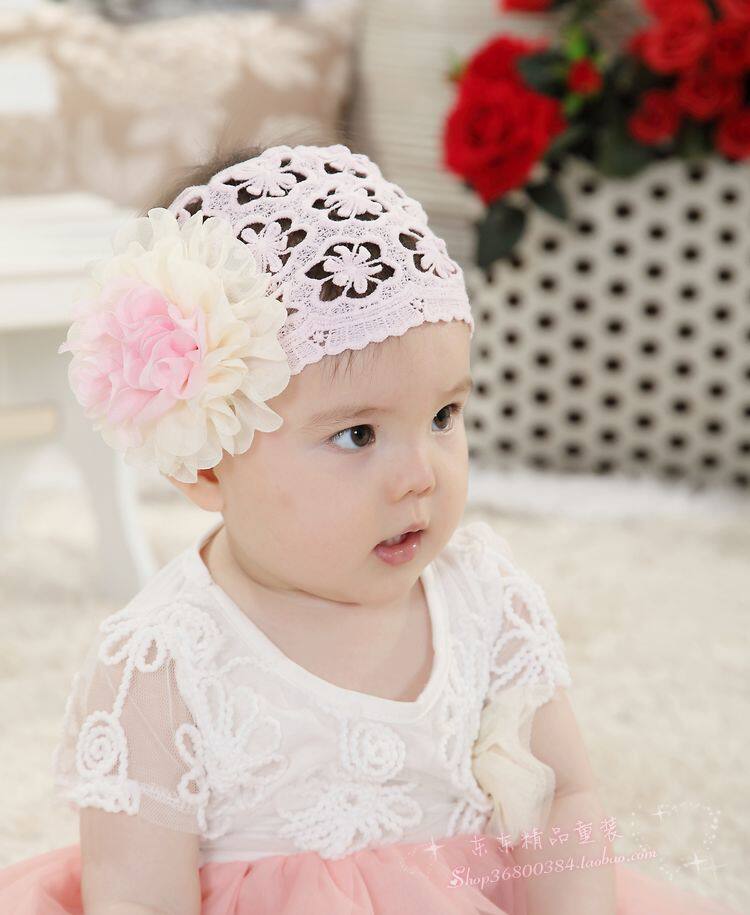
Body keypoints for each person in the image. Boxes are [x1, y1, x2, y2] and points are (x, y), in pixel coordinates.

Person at [0, 142, 740, 915]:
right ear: (208, 464)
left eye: (444, 415)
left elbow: (562, 800)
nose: (421, 473)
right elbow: (139, 896)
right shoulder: (167, 658)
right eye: (358, 434)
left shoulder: (484, 599)